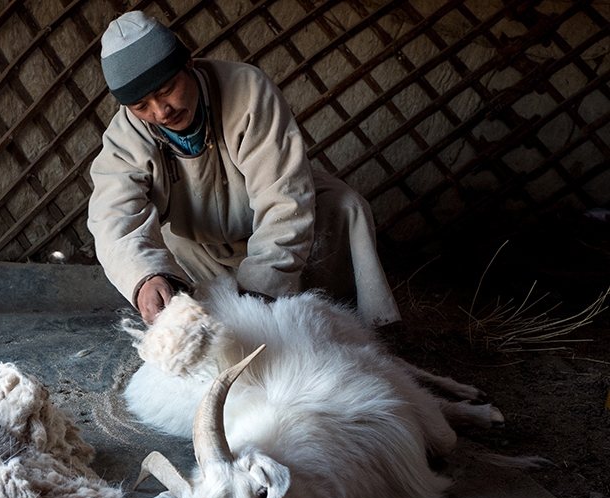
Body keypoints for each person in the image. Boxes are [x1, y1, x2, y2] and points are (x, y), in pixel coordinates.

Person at [87, 10, 401, 327]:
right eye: (141, 106)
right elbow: (113, 217)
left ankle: (372, 325)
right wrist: (145, 278)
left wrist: (260, 291)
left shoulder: (247, 91)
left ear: (188, 65)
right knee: (164, 250)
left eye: (166, 90)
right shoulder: (125, 137)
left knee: (346, 205)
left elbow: (283, 195)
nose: (161, 111)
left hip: (273, 227)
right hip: (202, 246)